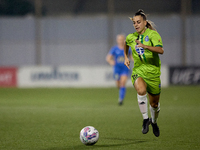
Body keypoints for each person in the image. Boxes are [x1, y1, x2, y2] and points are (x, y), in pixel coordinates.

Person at [124, 9, 164, 137]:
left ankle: (154, 121)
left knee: (154, 104)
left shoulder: (153, 35)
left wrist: (145, 46)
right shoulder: (131, 37)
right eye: (134, 23)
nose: (136, 25)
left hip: (153, 73)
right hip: (138, 70)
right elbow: (126, 44)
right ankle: (145, 119)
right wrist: (126, 56)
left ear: (145, 22)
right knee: (141, 90)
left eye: (138, 22)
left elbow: (161, 50)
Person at [106, 34, 132, 105]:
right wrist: (111, 62)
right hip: (117, 69)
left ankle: (121, 99)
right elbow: (108, 58)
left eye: (122, 39)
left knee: (123, 83)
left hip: (125, 68)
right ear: (117, 40)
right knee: (118, 85)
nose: (120, 41)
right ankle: (121, 93)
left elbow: (131, 57)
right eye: (119, 39)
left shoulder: (127, 48)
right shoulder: (114, 49)